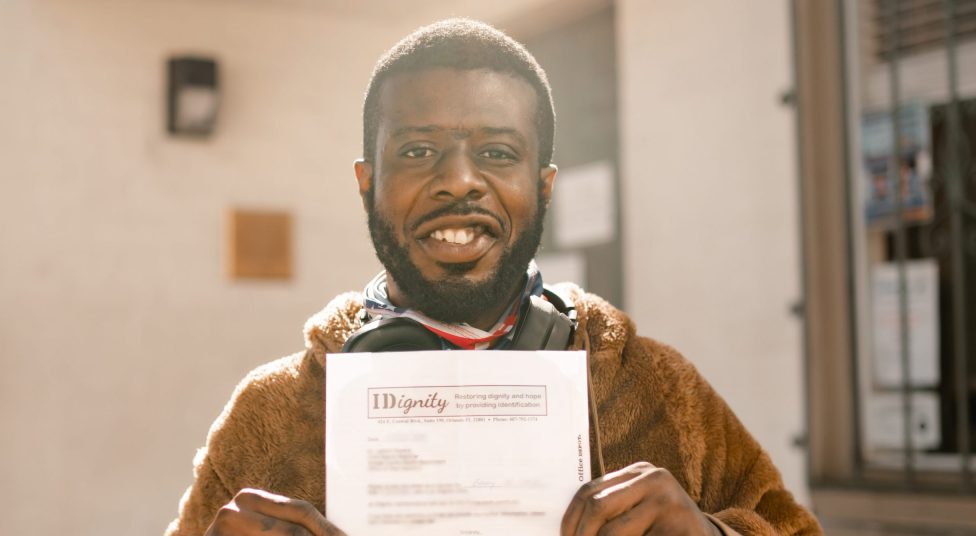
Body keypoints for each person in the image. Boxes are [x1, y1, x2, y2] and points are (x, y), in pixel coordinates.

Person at [165, 18, 822, 536]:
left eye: (497, 153)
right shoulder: (271, 414)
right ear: (367, 185)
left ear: (543, 188)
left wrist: (712, 535)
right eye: (418, 151)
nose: (458, 180)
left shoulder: (658, 390)